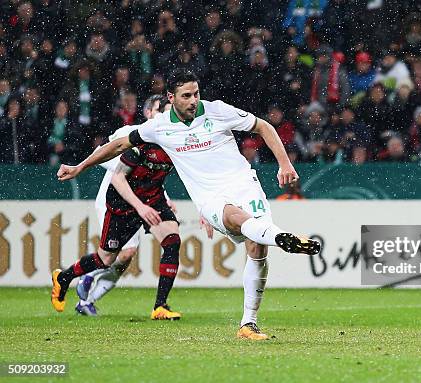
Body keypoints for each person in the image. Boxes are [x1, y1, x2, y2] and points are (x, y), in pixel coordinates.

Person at [56, 69, 321, 341]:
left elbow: (263, 126)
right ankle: (280, 236)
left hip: (244, 183)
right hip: (210, 197)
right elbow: (117, 145)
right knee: (237, 218)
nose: (194, 100)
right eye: (186, 96)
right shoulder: (158, 127)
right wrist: (80, 167)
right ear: (172, 97)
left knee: (257, 245)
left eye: (196, 94)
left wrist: (285, 163)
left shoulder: (216, 111)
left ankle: (248, 323)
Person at [51, 94, 184, 321]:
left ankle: (160, 306)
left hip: (151, 199)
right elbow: (108, 159)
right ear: (149, 113)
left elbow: (159, 174)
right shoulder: (133, 136)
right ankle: (65, 277)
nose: (167, 117)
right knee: (108, 258)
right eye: (161, 111)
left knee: (171, 240)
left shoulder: (175, 141)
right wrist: (79, 167)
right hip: (120, 200)